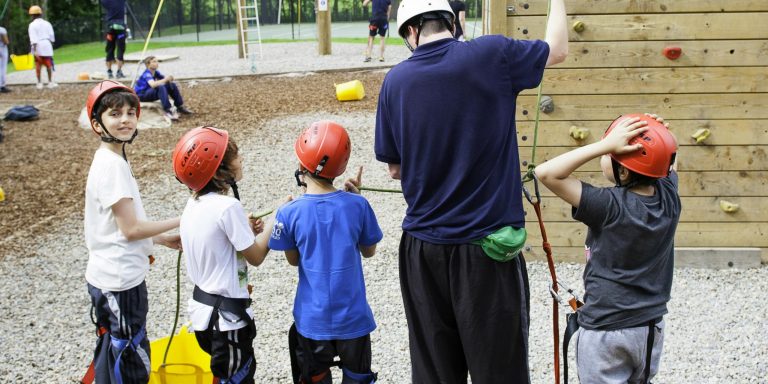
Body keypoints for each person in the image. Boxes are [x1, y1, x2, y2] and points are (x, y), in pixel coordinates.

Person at [373, 0, 568, 381]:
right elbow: (557, 48)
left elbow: (395, 168)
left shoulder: (395, 81)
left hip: (422, 250)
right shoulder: (492, 53)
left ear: (410, 32)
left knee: (435, 372)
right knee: (498, 371)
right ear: (452, 22)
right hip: (486, 251)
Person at [534, 114, 680, 384]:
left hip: (605, 331)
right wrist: (659, 135)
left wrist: (605, 145)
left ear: (623, 172)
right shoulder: (669, 197)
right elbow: (668, 165)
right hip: (649, 327)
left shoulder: (608, 206)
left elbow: (545, 173)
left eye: (609, 153)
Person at [269, 121, 383, 384]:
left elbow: (293, 259)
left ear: (301, 168)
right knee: (357, 377)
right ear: (341, 167)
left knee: (315, 378)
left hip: (311, 321)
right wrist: (357, 198)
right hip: (353, 319)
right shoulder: (358, 205)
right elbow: (369, 251)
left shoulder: (289, 212)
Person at [84, 80, 181, 383]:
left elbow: (117, 226)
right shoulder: (112, 166)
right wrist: (184, 218)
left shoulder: (111, 159)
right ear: (98, 124)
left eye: (130, 113)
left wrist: (161, 239)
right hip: (120, 281)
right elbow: (130, 229)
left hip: (112, 276)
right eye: (114, 114)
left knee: (114, 347)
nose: (125, 119)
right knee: (131, 356)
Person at [172, 126, 277, 384]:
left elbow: (218, 241)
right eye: (237, 156)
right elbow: (255, 256)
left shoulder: (194, 203)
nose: (241, 160)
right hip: (227, 320)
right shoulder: (228, 207)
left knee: (228, 375)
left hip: (204, 314)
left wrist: (243, 229)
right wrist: (277, 221)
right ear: (220, 171)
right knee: (236, 379)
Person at [133, 56, 193, 121]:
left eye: (157, 61)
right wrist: (166, 80)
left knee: (170, 84)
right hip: (141, 95)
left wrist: (169, 80)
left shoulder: (156, 72)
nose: (157, 63)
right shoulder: (146, 74)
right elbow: (153, 84)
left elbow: (164, 80)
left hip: (148, 92)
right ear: (148, 64)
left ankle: (179, 106)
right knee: (160, 87)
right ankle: (168, 110)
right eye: (154, 62)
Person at [27, 5, 57, 89]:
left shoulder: (32, 25)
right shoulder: (47, 23)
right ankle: (50, 82)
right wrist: (50, 45)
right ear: (40, 14)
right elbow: (52, 37)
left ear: (32, 15)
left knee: (38, 65)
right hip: (47, 45)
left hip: (38, 46)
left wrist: (34, 51)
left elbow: (33, 39)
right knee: (49, 65)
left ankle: (39, 83)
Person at [101, 0, 128, 79]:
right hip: (120, 28)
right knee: (120, 49)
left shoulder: (106, 2)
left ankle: (109, 72)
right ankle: (119, 71)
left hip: (110, 28)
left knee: (109, 49)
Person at [0, 24, 10, 93]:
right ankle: (2, 85)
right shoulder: (2, 30)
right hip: (2, 49)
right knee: (2, 68)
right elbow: (6, 41)